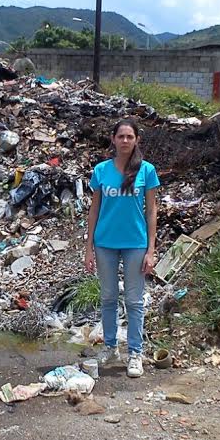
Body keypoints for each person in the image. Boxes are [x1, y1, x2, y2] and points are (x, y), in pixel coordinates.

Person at [85, 118, 160, 378]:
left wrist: (151, 249)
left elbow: (151, 210)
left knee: (134, 300)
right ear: (113, 139)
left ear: (137, 140)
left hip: (135, 244)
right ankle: (110, 347)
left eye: (130, 136)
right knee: (107, 297)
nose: (125, 141)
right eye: (121, 136)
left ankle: (135, 353)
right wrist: (88, 247)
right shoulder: (101, 171)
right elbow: (94, 210)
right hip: (105, 242)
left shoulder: (146, 171)